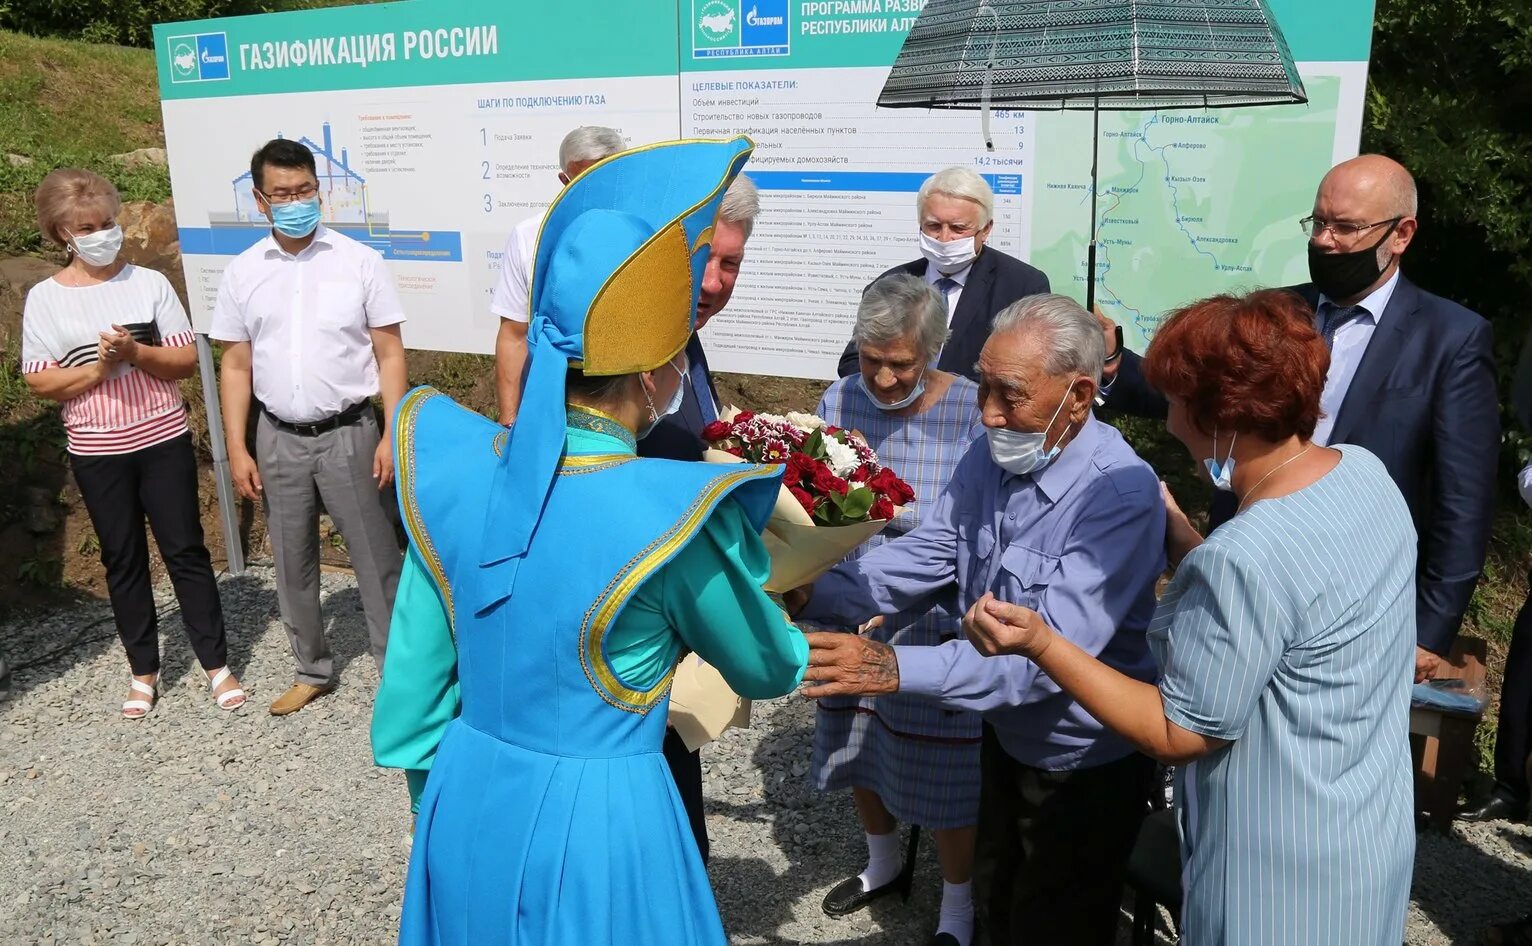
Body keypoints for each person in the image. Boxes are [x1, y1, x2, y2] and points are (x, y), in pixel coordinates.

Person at [370, 136, 808, 945]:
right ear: (654, 374)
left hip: (464, 792)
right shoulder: (673, 514)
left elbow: (412, 693)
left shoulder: (452, 472)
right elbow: (769, 665)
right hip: (604, 820)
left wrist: (439, 807)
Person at [966, 289, 1417, 946]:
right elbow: (1289, 604)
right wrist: (1184, 536)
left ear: (1218, 415)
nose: (1166, 408)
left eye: (1174, 395)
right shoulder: (1364, 474)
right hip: (1363, 825)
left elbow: (1179, 732)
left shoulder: (1245, 555)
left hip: (1277, 868)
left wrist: (1041, 642)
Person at [791, 294, 1165, 946]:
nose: (988, 410)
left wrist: (891, 665)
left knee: (1055, 925)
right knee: (996, 903)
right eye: (984, 384)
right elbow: (928, 556)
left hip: (1081, 767)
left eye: (1010, 394)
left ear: (1079, 396)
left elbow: (1039, 662)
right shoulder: (990, 452)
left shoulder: (1118, 495)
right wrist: (811, 592)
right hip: (1005, 741)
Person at [1099, 154, 1498, 681]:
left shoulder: (1450, 339)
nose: (1325, 241)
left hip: (1353, 601)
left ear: (1401, 235)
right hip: (1245, 570)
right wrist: (1113, 363)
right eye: (1319, 222)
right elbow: (1200, 402)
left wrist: (1427, 632)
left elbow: (1463, 502)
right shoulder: (1280, 312)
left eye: (1347, 227)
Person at [21, 168, 243, 718]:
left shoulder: (149, 283)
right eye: (88, 227)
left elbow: (186, 359)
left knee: (186, 550)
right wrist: (98, 369)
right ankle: (144, 668)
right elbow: (38, 378)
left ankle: (216, 662)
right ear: (61, 235)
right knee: (123, 559)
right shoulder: (45, 299)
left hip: (161, 438)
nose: (103, 234)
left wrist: (135, 355)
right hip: (96, 450)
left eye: (108, 222)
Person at [810, 274, 985, 946]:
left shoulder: (970, 408)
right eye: (871, 359)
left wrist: (897, 592)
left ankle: (957, 905)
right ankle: (882, 863)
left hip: (932, 611)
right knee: (858, 744)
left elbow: (971, 527)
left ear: (933, 351)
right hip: (848, 600)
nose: (882, 379)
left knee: (946, 770)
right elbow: (817, 502)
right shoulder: (840, 397)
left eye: (900, 364)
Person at [210, 138, 406, 716]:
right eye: (282, 193)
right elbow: (236, 363)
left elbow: (390, 352)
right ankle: (312, 668)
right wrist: (237, 447)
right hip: (277, 437)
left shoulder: (358, 260)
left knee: (376, 560)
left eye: (305, 190)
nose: (296, 201)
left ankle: (397, 676)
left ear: (319, 190)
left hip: (351, 434)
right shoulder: (244, 271)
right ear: (260, 199)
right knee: (291, 562)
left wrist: (392, 430)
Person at [635, 171, 760, 864]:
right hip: (623, 646)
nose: (715, 282)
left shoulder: (687, 342)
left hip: (670, 642)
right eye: (705, 259)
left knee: (679, 841)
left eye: (732, 263)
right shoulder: (622, 360)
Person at [837, 167, 1049, 383]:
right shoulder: (890, 284)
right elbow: (853, 361)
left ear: (985, 230)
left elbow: (1029, 372)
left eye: (958, 228)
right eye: (934, 226)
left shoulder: (1022, 286)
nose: (944, 238)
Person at [491, 125, 626, 424]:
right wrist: (509, 417)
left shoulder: (643, 233)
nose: (596, 194)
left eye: (606, 180)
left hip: (630, 403)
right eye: (583, 184)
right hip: (550, 402)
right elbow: (513, 333)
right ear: (564, 181)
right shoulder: (530, 237)